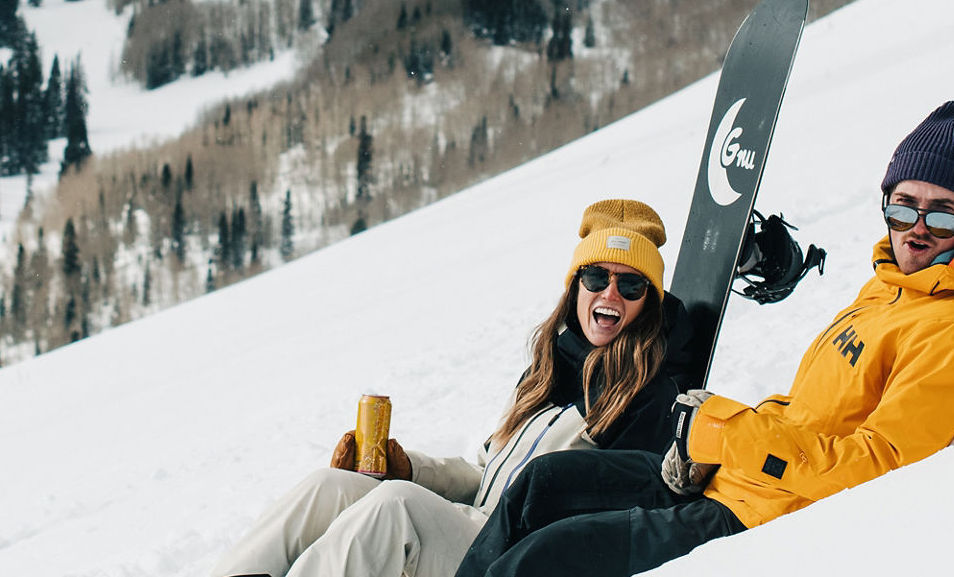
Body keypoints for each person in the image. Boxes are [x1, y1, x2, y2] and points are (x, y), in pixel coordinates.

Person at [454, 101, 954, 577]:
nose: (919, 228)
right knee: (541, 484)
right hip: (739, 478)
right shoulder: (895, 289)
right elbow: (814, 416)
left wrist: (729, 436)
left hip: (762, 512)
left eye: (943, 214)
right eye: (904, 208)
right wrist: (710, 442)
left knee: (543, 562)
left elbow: (878, 466)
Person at [212, 200, 708, 577]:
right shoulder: (552, 370)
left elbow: (626, 509)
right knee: (330, 487)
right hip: (473, 521)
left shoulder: (645, 394)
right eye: (597, 276)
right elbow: (484, 473)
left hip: (512, 552)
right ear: (576, 286)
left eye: (632, 285)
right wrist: (407, 468)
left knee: (396, 508)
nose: (610, 293)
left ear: (649, 304)